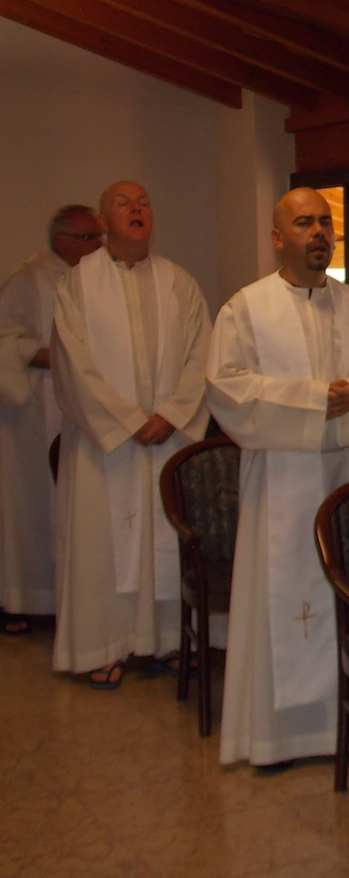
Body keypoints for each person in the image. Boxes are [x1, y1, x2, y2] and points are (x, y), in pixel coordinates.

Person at [207, 187, 349, 768]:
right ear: (278, 237)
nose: (319, 232)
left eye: (325, 222)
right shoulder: (246, 309)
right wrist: (313, 400)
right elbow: (226, 388)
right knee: (284, 593)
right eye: (303, 223)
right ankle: (279, 736)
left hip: (348, 473)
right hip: (280, 478)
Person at [50, 182, 211, 688]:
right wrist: (127, 420)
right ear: (102, 221)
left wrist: (171, 414)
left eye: (143, 202)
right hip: (105, 447)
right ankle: (102, 646)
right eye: (123, 204)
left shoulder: (179, 282)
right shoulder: (78, 283)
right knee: (102, 547)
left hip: (165, 440)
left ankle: (167, 641)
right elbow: (72, 362)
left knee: (163, 542)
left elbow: (202, 355)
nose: (136, 209)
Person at [0, 205, 102, 636]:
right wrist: (47, 356)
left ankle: (75, 600)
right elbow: (5, 339)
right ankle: (25, 600)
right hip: (32, 413)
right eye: (90, 238)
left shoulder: (98, 280)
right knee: (33, 507)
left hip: (80, 408)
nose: (98, 245)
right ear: (63, 240)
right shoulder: (27, 280)